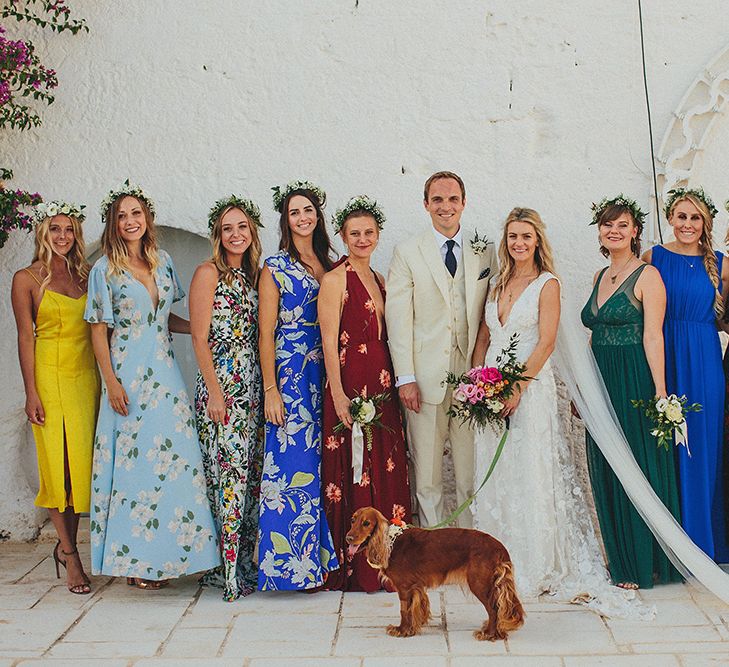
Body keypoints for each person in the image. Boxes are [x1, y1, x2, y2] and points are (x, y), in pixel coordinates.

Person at [470, 207, 643, 616]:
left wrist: (516, 387)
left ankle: (535, 562)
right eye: (513, 236)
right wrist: (476, 383)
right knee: (498, 472)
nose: (519, 243)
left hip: (530, 388)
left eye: (526, 236)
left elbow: (546, 342)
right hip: (490, 388)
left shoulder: (548, 284)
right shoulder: (497, 283)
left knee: (531, 471)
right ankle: (492, 557)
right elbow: (483, 336)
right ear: (506, 241)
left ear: (537, 241)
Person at [85, 182, 220, 589]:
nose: (130, 221)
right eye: (122, 216)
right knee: (134, 468)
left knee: (175, 461)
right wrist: (111, 383)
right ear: (114, 222)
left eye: (136, 214)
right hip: (127, 374)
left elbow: (166, 318)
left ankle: (177, 556)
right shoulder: (103, 269)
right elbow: (98, 331)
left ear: (148, 219)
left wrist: (204, 330)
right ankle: (137, 562)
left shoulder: (162, 262)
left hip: (164, 374)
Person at [386, 171, 498, 527]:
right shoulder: (407, 252)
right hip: (424, 376)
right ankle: (433, 545)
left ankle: (468, 546)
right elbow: (398, 320)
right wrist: (406, 377)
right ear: (425, 205)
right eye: (437, 199)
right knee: (428, 473)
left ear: (464, 203)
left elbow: (493, 311)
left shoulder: (485, 250)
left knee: (469, 471)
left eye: (452, 199)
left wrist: (486, 373)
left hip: (470, 378)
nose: (445, 206)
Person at [582, 195, 681, 589]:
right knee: (608, 466)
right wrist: (585, 388)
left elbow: (653, 334)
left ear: (635, 231)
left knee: (636, 466)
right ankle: (620, 558)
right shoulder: (598, 277)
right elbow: (594, 336)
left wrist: (660, 391)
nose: (614, 231)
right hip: (602, 377)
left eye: (622, 225)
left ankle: (643, 564)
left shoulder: (647, 277)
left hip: (634, 379)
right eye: (608, 225)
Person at [318, 195, 412, 591]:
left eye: (368, 233)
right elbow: (326, 341)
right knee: (352, 469)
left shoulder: (381, 278)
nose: (362, 239)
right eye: (354, 233)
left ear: (377, 236)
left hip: (383, 383)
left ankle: (389, 563)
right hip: (350, 382)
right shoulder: (335, 280)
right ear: (342, 236)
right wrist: (338, 395)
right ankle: (353, 568)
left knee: (386, 464)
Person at [11, 201, 99, 594]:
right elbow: (25, 337)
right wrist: (31, 392)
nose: (62, 236)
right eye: (55, 229)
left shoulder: (86, 275)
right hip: (49, 376)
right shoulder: (26, 278)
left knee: (77, 469)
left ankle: (68, 548)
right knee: (54, 466)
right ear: (42, 233)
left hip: (85, 379)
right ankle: (70, 554)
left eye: (68, 230)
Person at [257, 180, 339, 590]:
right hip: (291, 373)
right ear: (285, 221)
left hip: (328, 371)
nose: (302, 217)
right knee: (293, 467)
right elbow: (265, 331)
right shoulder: (274, 267)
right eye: (294, 212)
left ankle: (323, 562)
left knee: (325, 465)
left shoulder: (331, 261)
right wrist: (271, 390)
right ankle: (288, 568)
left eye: (308, 210)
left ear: (318, 215)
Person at [645, 187, 729, 563]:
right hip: (667, 354)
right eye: (682, 216)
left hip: (706, 358)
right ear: (670, 219)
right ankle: (669, 545)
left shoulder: (723, 264)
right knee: (667, 448)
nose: (688, 224)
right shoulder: (654, 257)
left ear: (705, 222)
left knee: (703, 447)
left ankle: (702, 543)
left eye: (695, 218)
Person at [190, 195, 265, 601]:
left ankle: (246, 565)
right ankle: (228, 572)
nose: (235, 235)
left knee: (249, 477)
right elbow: (199, 339)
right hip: (221, 387)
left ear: (252, 232)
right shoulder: (208, 273)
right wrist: (216, 394)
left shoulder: (254, 276)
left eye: (242, 227)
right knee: (227, 477)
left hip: (252, 386)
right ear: (218, 236)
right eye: (227, 229)